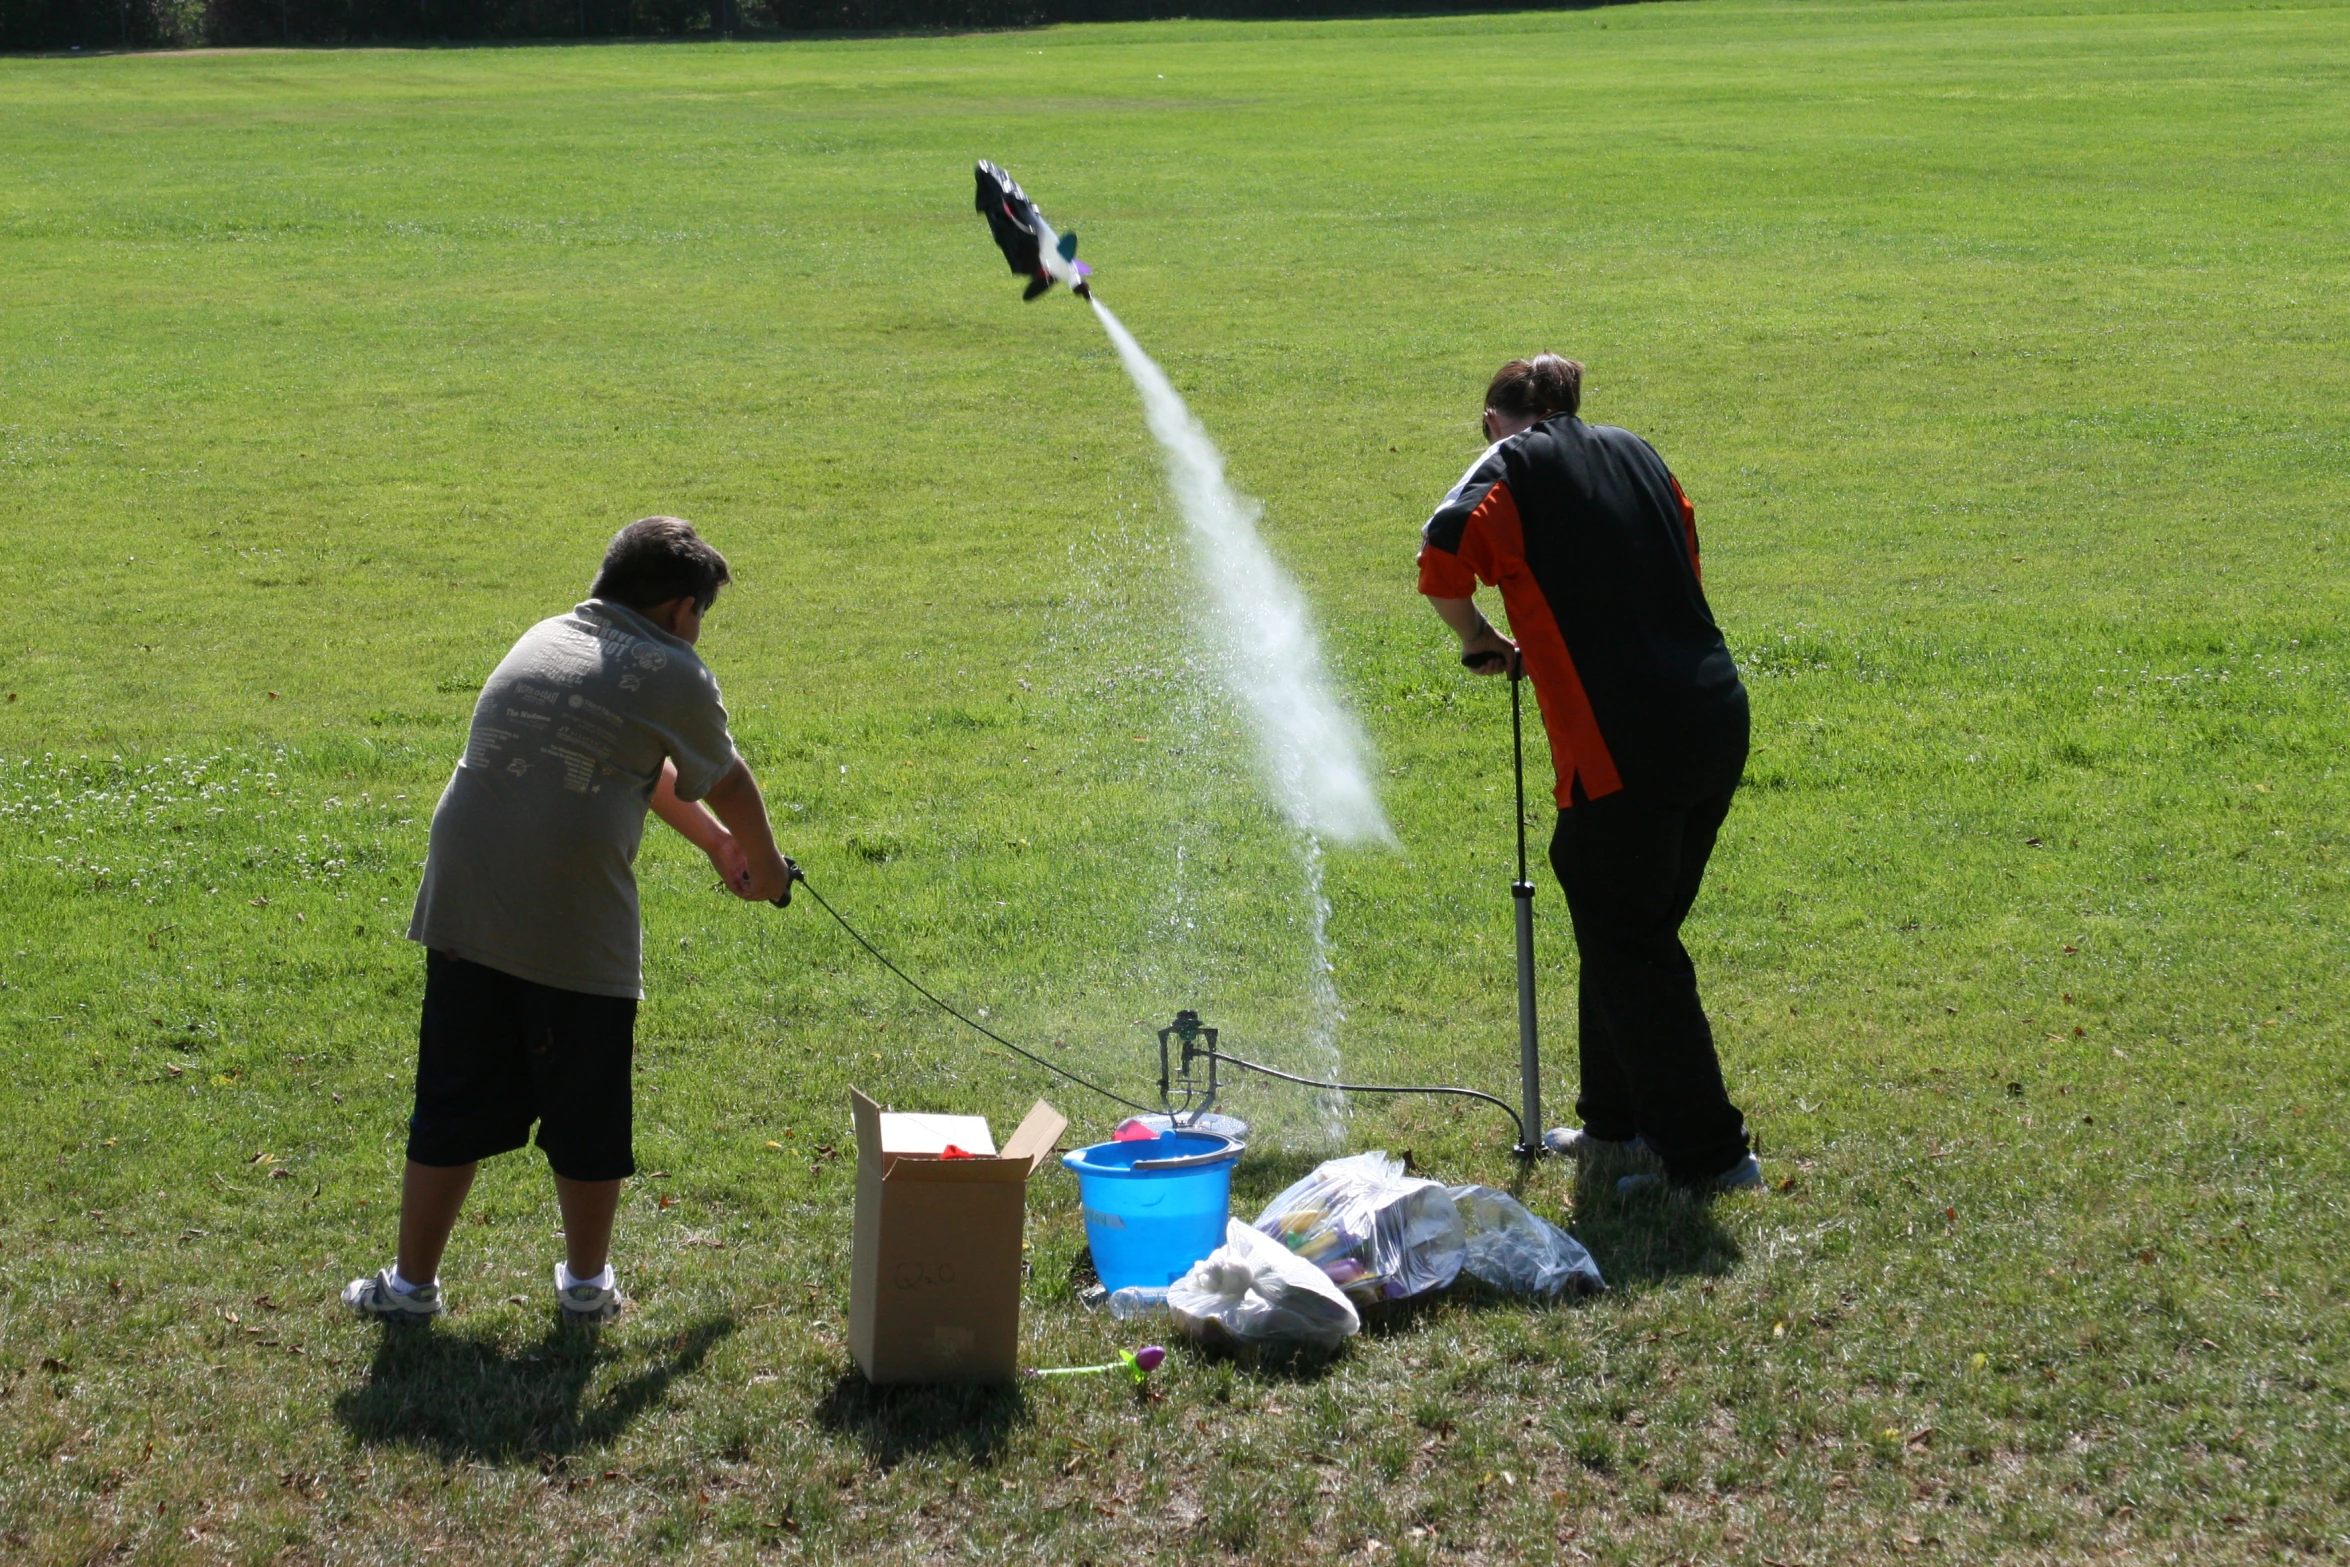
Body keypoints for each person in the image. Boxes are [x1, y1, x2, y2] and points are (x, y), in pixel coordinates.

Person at [343, 517, 796, 1325]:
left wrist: (718, 849)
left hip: (465, 897)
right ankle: (587, 1287)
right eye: (701, 616)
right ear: (676, 610)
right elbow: (727, 781)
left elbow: (629, 761)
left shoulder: (550, 634)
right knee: (586, 1104)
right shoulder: (672, 668)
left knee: (452, 1096)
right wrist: (762, 869)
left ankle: (411, 1287)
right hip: (570, 909)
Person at [1417, 355, 1761, 1195]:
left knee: (1630, 940)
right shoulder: (1640, 451)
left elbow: (1441, 547)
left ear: (1496, 421)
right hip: (1714, 713)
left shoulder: (1512, 463)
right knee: (1626, 924)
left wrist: (1478, 639)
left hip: (1624, 744)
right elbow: (1682, 555)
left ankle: (1710, 1155)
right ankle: (1618, 1118)